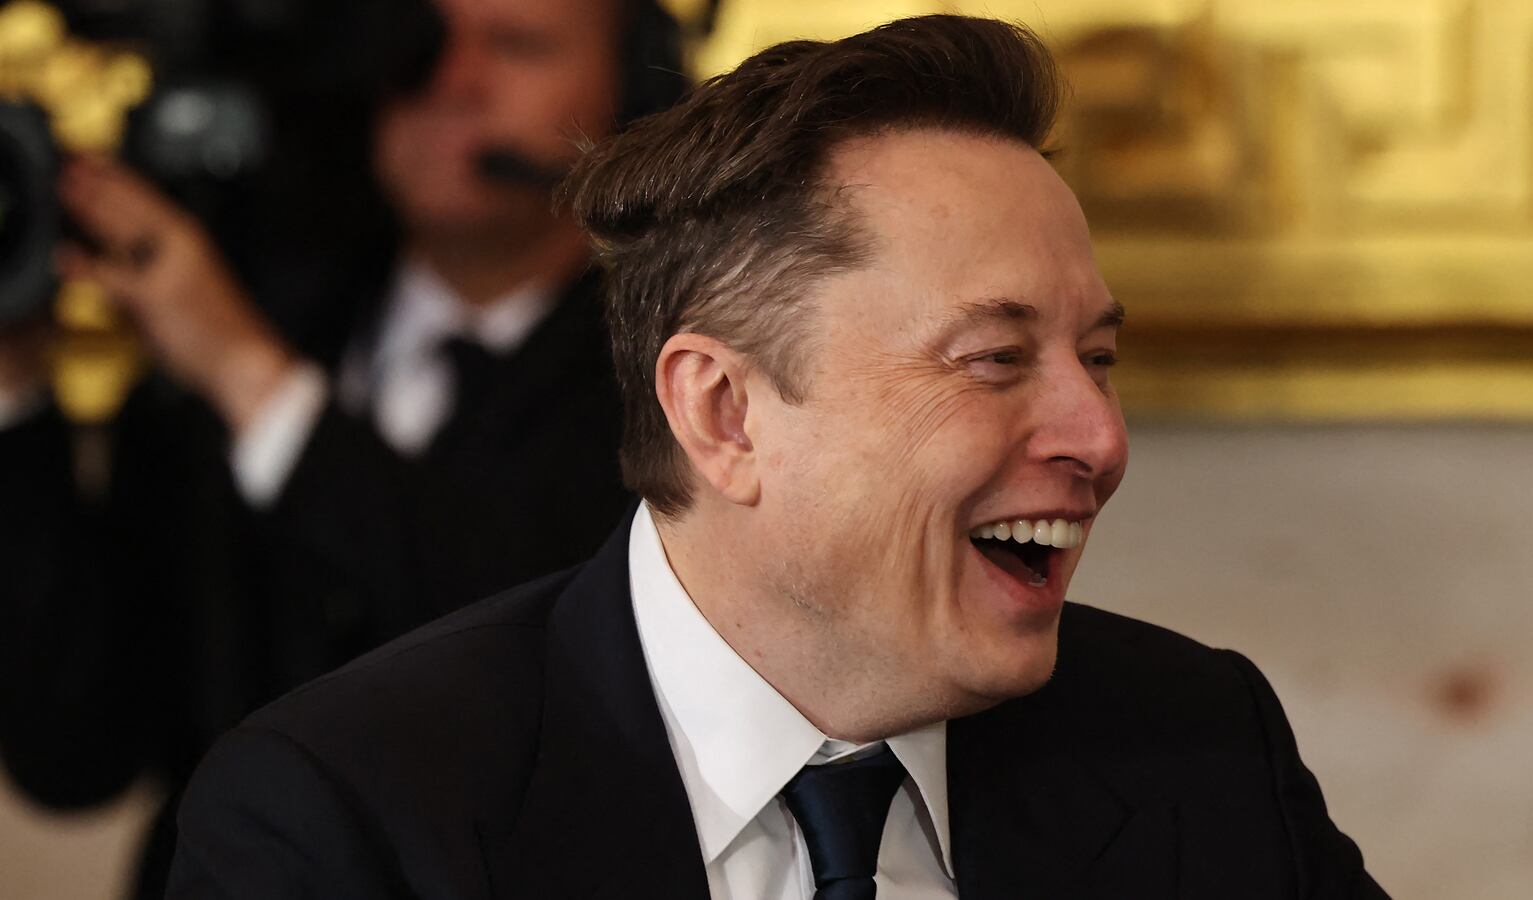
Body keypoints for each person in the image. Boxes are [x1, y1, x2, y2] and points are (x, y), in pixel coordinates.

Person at [167, 14, 1389, 900]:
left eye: (1099, 358)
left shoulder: (1197, 748)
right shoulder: (347, 819)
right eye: (994, 360)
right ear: (724, 413)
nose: (1098, 439)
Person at [0, 1, 684, 897]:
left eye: (518, 45)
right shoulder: (247, 318)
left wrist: (256, 385)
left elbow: (574, 681)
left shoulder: (677, 384)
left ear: (636, 94)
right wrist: (15, 384)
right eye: (419, 38)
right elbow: (76, 752)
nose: (452, 80)